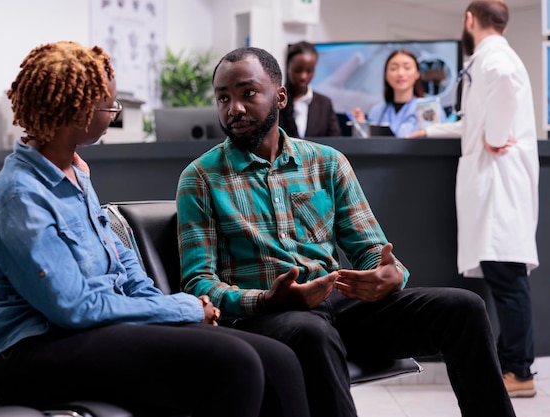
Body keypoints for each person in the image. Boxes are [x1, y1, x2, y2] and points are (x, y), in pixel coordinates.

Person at [176, 45, 516, 417]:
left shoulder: (327, 163)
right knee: (311, 332)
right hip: (267, 318)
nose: (234, 109)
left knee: (463, 307)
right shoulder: (201, 178)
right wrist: (266, 300)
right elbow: (198, 284)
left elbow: (373, 251)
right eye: (223, 98)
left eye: (248, 93)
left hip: (336, 302)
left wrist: (389, 274)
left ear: (281, 96)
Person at [0, 41, 311, 417]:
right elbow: (74, 308)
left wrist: (165, 308)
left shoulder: (75, 173)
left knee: (278, 359)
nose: (114, 114)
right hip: (35, 350)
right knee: (235, 363)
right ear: (79, 113)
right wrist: (180, 309)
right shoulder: (21, 195)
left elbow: (123, 267)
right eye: (110, 107)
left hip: (94, 330)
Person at [407, 0, 539, 398]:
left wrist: (496, 137)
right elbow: (472, 122)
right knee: (504, 278)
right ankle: (511, 365)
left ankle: (519, 370)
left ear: (469, 20)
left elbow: (496, 99)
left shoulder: (494, 59)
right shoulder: (489, 57)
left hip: (500, 187)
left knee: (509, 280)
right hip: (494, 186)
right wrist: (429, 133)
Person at [352, 49, 447, 137]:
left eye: (407, 68)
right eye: (394, 68)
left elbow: (439, 143)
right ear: (386, 75)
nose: (400, 73)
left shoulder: (430, 108)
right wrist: (361, 126)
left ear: (417, 74)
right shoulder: (376, 112)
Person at [279, 41, 341, 138]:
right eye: (298, 70)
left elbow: (335, 143)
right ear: (288, 67)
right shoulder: (275, 101)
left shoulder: (324, 104)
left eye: (309, 71)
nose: (303, 76)